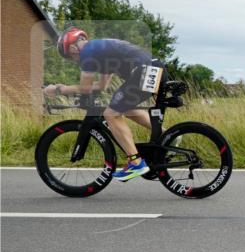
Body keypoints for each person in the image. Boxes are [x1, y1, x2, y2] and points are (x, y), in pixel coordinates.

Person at [43, 27, 161, 182]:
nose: (74, 60)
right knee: (124, 109)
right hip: (154, 68)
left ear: (72, 48)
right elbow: (101, 86)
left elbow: (85, 88)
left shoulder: (87, 52)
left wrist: (59, 89)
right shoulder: (100, 49)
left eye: (70, 57)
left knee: (110, 114)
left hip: (143, 71)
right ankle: (166, 135)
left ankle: (136, 163)